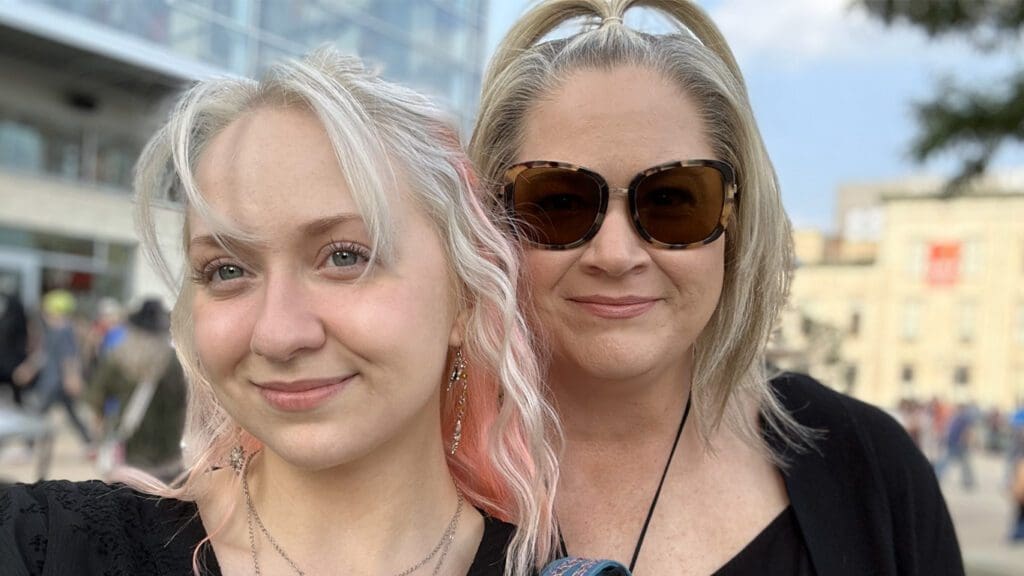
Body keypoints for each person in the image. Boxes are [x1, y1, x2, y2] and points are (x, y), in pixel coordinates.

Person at [0, 49, 560, 576]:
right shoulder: (46, 545)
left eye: (345, 257)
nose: (277, 334)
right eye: (226, 270)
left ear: (462, 297)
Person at [470, 1, 962, 574]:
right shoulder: (409, 463)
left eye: (673, 200)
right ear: (489, 221)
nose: (615, 254)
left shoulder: (868, 464)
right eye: (558, 202)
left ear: (737, 219)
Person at [87, 298, 186, 480]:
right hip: (168, 450)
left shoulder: (117, 357)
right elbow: (186, 402)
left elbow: (96, 399)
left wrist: (101, 433)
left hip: (128, 448)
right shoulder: (174, 362)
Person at [14, 289, 93, 448]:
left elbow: (69, 357)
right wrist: (28, 368)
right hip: (54, 381)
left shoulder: (64, 332)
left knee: (37, 412)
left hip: (55, 382)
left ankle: (28, 446)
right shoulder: (54, 331)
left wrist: (72, 377)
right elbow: (44, 355)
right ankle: (89, 442)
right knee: (70, 413)